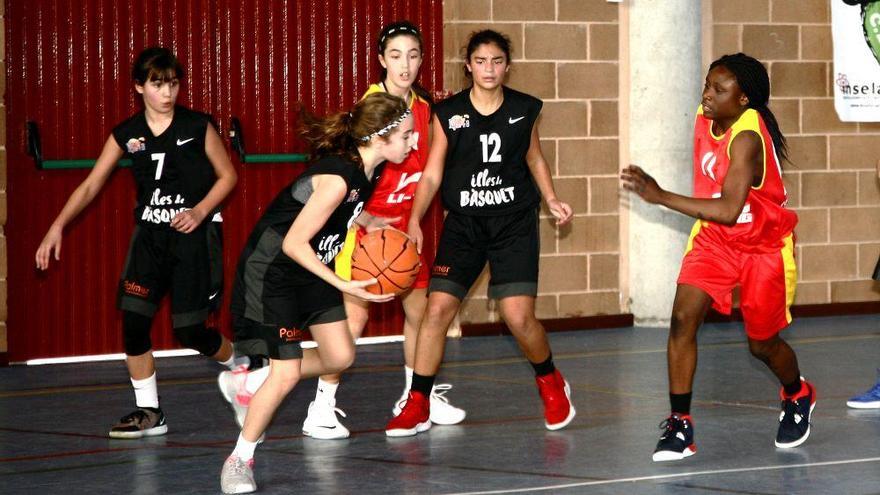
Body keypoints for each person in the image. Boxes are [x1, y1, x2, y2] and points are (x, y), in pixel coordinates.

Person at [34, 47, 239, 439]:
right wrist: (56, 226)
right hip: (149, 241)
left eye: (173, 83)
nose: (168, 92)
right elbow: (92, 183)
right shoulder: (127, 134)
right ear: (140, 87)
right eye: (158, 84)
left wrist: (199, 211)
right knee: (133, 321)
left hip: (193, 240)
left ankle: (243, 364)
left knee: (191, 331)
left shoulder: (197, 126)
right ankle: (150, 411)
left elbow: (227, 176)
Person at [621, 53, 816, 461]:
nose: (707, 95)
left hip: (763, 245)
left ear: (744, 100)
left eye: (718, 89)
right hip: (715, 240)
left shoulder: (747, 139)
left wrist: (659, 196)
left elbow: (729, 209)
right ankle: (680, 425)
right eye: (707, 85)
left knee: (761, 344)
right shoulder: (708, 113)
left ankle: (797, 392)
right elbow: (720, 219)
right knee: (681, 321)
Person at [219, 92, 414, 494]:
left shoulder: (367, 170)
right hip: (275, 272)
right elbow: (293, 243)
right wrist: (343, 283)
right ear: (381, 138)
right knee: (288, 371)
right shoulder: (338, 178)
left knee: (340, 355)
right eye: (407, 135)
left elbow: (344, 214)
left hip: (312, 267)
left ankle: (255, 382)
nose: (413, 142)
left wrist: (373, 221)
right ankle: (240, 458)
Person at [385, 29, 575, 438]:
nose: (489, 68)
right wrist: (416, 218)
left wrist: (552, 198)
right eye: (481, 61)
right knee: (437, 310)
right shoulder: (448, 112)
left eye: (497, 61)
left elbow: (534, 158)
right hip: (465, 225)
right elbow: (433, 173)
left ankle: (551, 381)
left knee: (517, 317)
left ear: (507, 66)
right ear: (468, 65)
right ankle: (418, 402)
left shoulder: (524, 109)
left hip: (513, 224)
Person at [299, 20, 466, 439]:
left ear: (422, 59)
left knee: (421, 314)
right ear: (380, 61)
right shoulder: (370, 110)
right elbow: (339, 175)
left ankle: (415, 398)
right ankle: (321, 406)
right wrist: (361, 221)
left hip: (405, 230)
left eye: (413, 55)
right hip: (364, 230)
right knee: (351, 323)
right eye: (395, 56)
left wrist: (414, 221)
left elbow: (428, 174)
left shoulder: (425, 109)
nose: (405, 65)